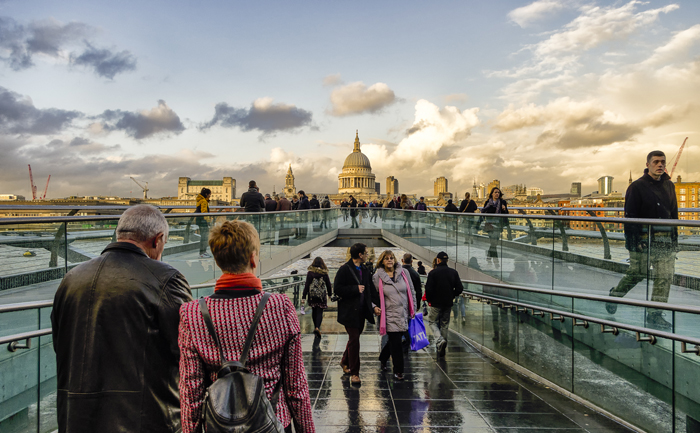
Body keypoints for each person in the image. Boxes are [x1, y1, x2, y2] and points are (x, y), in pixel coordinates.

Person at [51, 204, 193, 433]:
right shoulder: (167, 279)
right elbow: (188, 352)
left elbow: (60, 344)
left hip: (75, 420)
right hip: (146, 420)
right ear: (157, 240)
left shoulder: (71, 279)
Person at [178, 220, 314, 433]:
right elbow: (296, 387)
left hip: (220, 425)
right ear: (253, 258)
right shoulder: (280, 307)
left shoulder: (192, 313)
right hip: (273, 421)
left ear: (217, 260)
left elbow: (191, 391)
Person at [607, 150, 678, 330]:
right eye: (656, 162)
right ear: (648, 165)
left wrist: (674, 241)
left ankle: (655, 315)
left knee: (664, 277)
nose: (660, 165)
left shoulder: (670, 186)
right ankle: (615, 295)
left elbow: (674, 215)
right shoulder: (636, 187)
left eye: (663, 162)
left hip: (665, 241)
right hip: (644, 241)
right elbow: (630, 217)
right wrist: (635, 242)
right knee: (637, 273)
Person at [333, 243, 377, 385]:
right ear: (360, 255)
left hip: (362, 311)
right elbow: (337, 289)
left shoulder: (365, 270)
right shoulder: (344, 270)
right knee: (355, 339)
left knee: (354, 339)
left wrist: (375, 306)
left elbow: (370, 290)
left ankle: (344, 361)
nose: (367, 255)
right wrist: (355, 289)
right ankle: (355, 373)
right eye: (366, 253)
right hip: (349, 312)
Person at [372, 250, 416, 381]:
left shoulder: (404, 273)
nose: (389, 260)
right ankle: (398, 371)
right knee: (396, 343)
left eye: (391, 258)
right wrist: (374, 307)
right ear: (382, 261)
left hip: (403, 312)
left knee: (394, 340)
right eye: (386, 258)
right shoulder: (377, 277)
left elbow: (411, 290)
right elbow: (372, 296)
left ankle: (383, 357)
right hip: (389, 314)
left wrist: (413, 307)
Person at [425, 251, 463, 357]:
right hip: (447, 303)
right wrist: (452, 295)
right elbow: (460, 288)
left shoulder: (433, 273)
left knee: (432, 321)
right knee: (444, 324)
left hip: (436, 303)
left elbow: (428, 289)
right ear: (447, 261)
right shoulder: (453, 272)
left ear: (438, 260)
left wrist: (430, 300)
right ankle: (442, 348)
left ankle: (439, 339)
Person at [302, 257, 332, 339]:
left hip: (312, 295)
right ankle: (317, 327)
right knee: (320, 311)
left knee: (314, 310)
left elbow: (307, 285)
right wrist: (330, 294)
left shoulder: (310, 273)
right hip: (321, 296)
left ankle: (315, 326)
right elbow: (328, 284)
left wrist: (303, 297)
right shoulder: (324, 273)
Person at [482, 187, 509, 267]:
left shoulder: (503, 202)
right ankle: (496, 261)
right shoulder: (488, 202)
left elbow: (506, 214)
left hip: (498, 225)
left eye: (498, 192)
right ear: (492, 194)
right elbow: (483, 213)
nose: (497, 194)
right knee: (494, 243)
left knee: (494, 243)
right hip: (490, 225)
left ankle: (489, 256)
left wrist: (504, 209)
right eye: (495, 192)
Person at [195, 187, 212, 258]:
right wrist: (208, 221)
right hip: (203, 221)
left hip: (200, 220)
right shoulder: (204, 201)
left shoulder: (201, 200)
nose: (210, 196)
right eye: (209, 194)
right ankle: (202, 252)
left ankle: (203, 251)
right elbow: (204, 212)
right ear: (206, 194)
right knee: (204, 237)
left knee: (204, 236)